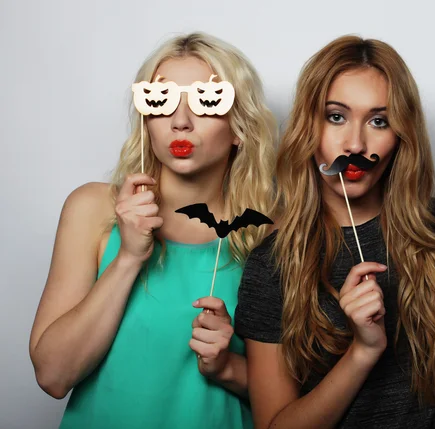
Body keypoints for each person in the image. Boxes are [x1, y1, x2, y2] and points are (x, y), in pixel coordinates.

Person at [235, 35, 435, 428]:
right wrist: (363, 350)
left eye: (379, 121)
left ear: (400, 136)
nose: (356, 143)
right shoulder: (272, 263)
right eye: (336, 116)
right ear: (308, 127)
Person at [29, 32, 276, 428]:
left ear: (238, 127)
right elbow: (53, 376)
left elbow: (293, 405)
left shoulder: (269, 232)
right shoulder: (92, 210)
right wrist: (128, 258)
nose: (180, 121)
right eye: (161, 102)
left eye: (206, 102)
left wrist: (228, 367)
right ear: (147, 117)